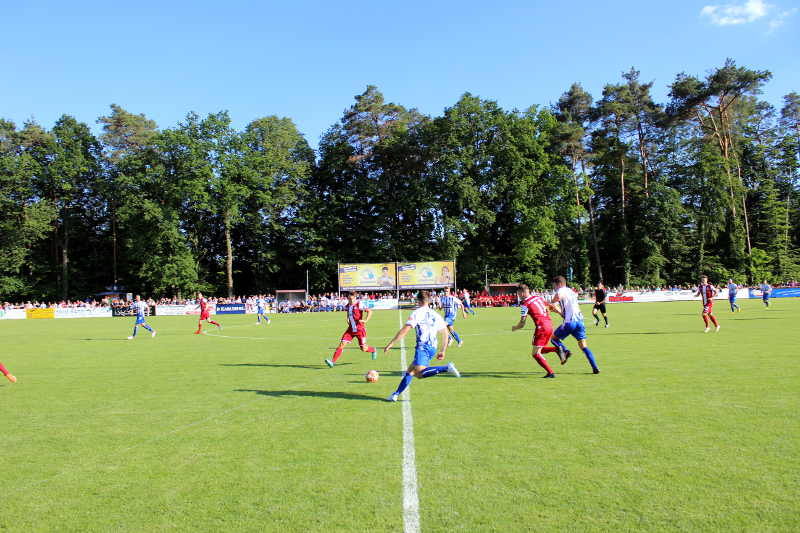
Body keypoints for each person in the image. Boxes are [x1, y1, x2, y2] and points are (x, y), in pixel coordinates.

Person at [383, 291, 460, 402]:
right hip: (432, 347)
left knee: (419, 372)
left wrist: (391, 343)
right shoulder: (436, 314)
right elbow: (445, 333)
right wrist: (443, 350)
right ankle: (395, 394)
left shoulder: (416, 313)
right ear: (428, 301)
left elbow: (405, 330)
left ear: (418, 301)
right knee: (411, 372)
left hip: (423, 347)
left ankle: (446, 368)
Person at [549, 276, 600, 374]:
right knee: (584, 346)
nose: (554, 287)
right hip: (580, 322)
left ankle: (566, 351)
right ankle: (595, 367)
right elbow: (565, 312)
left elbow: (557, 297)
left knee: (553, 339)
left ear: (559, 284)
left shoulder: (561, 290)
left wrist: (552, 303)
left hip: (570, 322)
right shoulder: (571, 291)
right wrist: (558, 310)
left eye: (554, 285)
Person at [511, 284, 563, 378]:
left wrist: (515, 327)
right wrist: (560, 313)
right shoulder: (538, 297)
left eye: (518, 293)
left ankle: (550, 373)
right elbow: (551, 307)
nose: (518, 295)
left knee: (535, 353)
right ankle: (556, 349)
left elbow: (522, 324)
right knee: (539, 349)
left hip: (541, 328)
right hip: (549, 325)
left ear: (522, 293)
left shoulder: (524, 304)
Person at [325, 292, 376, 367]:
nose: (349, 300)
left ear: (355, 298)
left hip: (360, 330)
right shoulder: (348, 305)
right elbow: (348, 313)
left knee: (363, 349)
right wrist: (348, 318)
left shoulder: (359, 304)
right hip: (350, 330)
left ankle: (373, 350)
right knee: (341, 344)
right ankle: (332, 362)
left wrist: (365, 320)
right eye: (348, 299)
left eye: (351, 299)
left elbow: (370, 311)